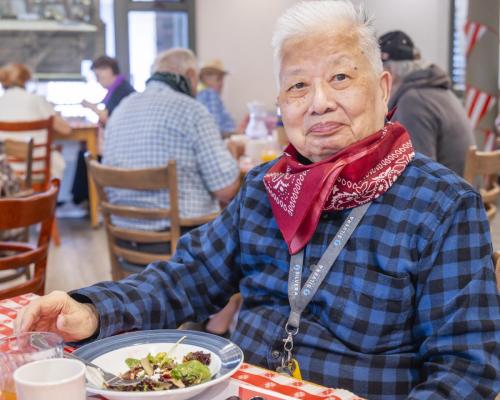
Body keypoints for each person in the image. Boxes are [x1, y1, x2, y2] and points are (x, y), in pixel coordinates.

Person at [16, 2, 500, 399]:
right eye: (297, 86)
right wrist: (93, 308)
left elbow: (467, 372)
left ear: (383, 87)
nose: (318, 103)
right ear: (280, 104)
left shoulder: (443, 206)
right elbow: (185, 277)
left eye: (340, 78)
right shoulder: (267, 186)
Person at [379, 30, 475, 176]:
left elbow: (418, 173)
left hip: (447, 195)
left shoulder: (414, 102)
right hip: (463, 189)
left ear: (388, 72)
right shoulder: (435, 90)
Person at [0, 63, 70, 180]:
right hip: (36, 169)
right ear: (26, 81)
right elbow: (66, 130)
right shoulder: (37, 100)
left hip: (6, 175)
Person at [81, 55, 135, 126]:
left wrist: (91, 106)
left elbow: (109, 120)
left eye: (98, 76)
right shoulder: (118, 88)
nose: (97, 80)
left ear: (108, 70)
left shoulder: (121, 90)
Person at [196, 59, 236, 137]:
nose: (222, 84)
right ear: (206, 79)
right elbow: (214, 126)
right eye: (219, 79)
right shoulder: (211, 94)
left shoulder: (200, 94)